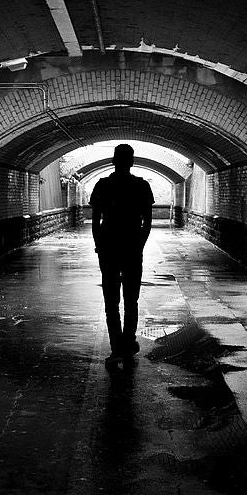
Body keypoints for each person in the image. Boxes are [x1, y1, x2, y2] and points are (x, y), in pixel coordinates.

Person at [89, 144, 154, 360]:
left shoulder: (102, 186)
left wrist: (99, 245)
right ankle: (128, 342)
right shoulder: (141, 186)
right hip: (132, 249)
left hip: (108, 248)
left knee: (111, 300)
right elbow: (147, 222)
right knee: (131, 299)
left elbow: (95, 222)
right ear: (132, 161)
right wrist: (140, 244)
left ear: (113, 160)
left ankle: (116, 345)